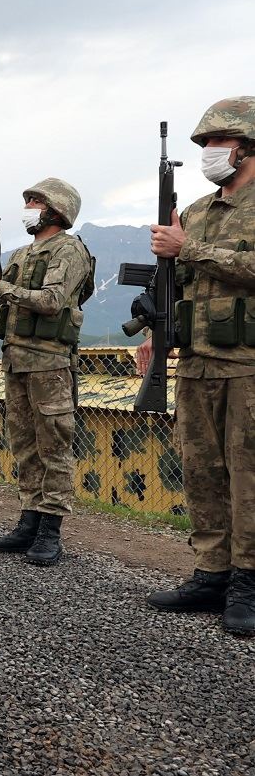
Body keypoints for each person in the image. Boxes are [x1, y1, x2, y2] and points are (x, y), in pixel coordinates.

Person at [141, 97, 255, 632]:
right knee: (202, 471)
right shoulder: (196, 213)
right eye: (205, 144)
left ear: (246, 146)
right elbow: (177, 283)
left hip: (247, 364)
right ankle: (212, 570)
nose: (209, 152)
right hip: (196, 361)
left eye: (217, 143)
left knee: (248, 474)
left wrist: (190, 250)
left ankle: (248, 581)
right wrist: (154, 331)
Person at [0, 179, 92, 566]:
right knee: (25, 446)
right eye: (27, 200)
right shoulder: (23, 253)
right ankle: (28, 519)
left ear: (56, 209)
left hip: (50, 364)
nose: (27, 206)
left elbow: (53, 301)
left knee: (53, 447)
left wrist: (1, 287)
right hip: (17, 361)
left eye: (35, 201)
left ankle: (50, 531)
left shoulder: (69, 250)